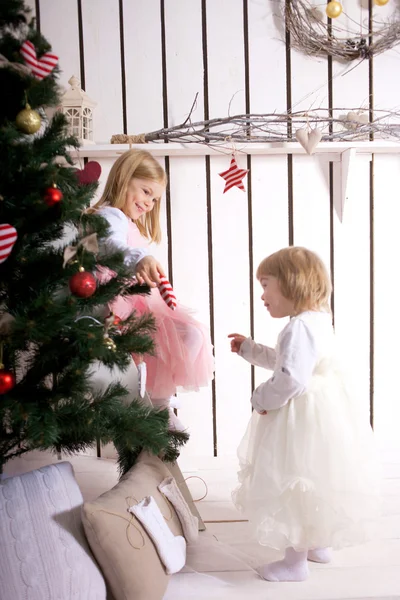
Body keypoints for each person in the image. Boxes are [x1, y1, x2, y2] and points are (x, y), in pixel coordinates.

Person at [228, 246, 379, 582]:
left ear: (291, 284)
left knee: (292, 480)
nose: (262, 295)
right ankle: (317, 543)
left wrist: (261, 398)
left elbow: (291, 377)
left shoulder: (298, 328)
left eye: (266, 285)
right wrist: (249, 349)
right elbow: (291, 361)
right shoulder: (319, 321)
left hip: (300, 416)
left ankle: (294, 563)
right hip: (326, 416)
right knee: (317, 476)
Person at [90, 149, 214, 427]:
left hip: (136, 300)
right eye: (146, 192)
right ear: (124, 178)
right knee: (184, 336)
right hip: (120, 303)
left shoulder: (123, 219)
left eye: (154, 199)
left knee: (180, 339)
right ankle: (159, 406)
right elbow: (112, 245)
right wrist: (139, 259)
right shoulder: (110, 217)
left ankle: (160, 402)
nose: (149, 203)